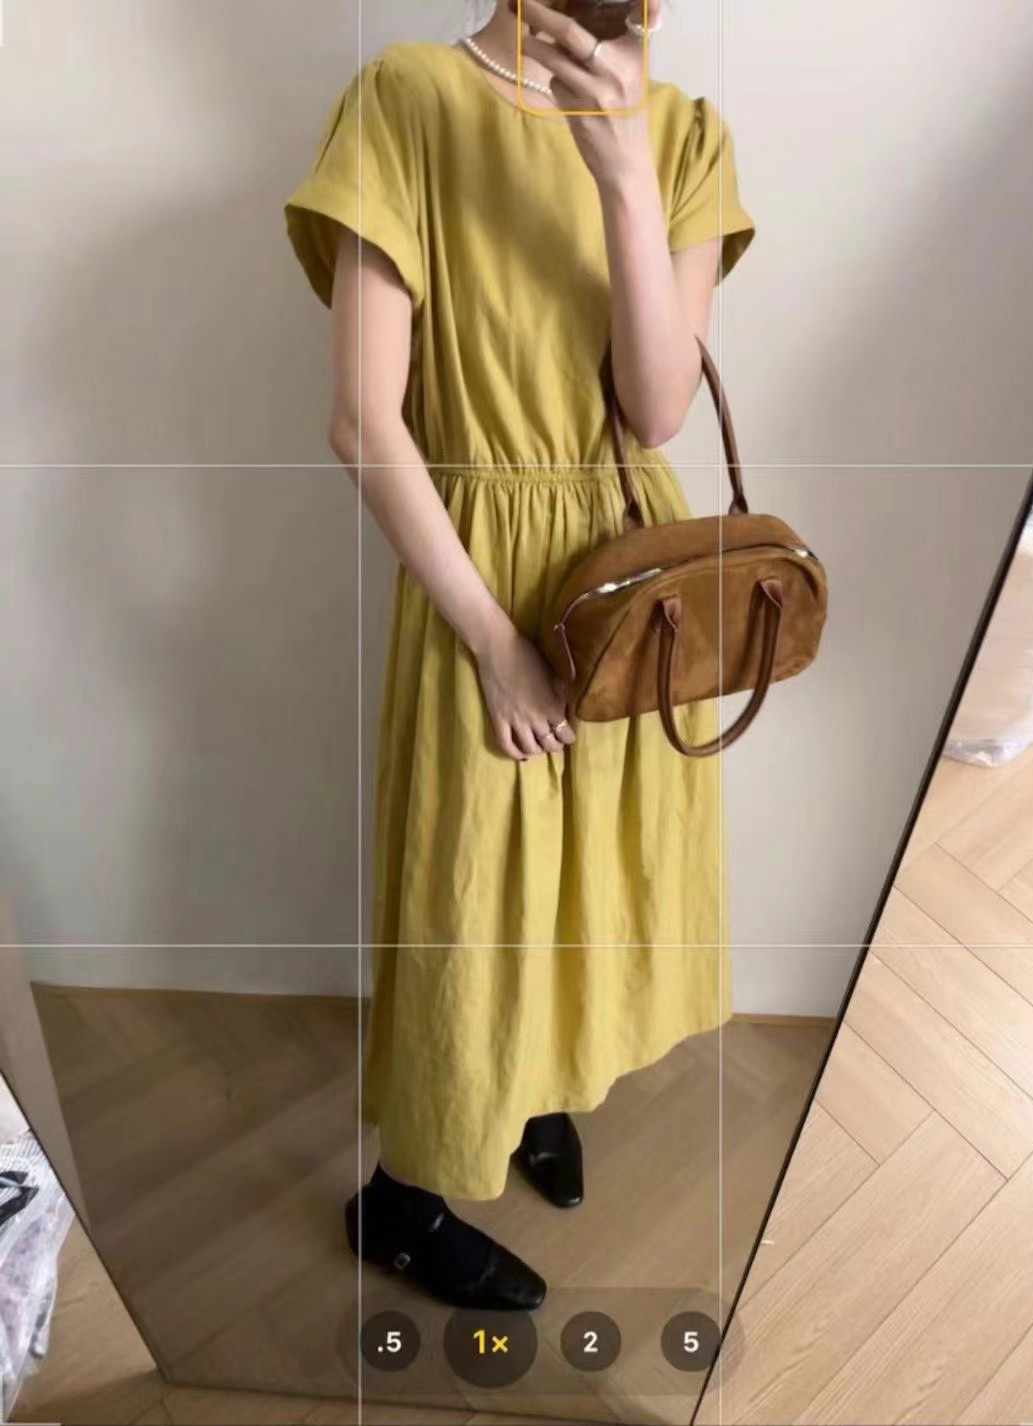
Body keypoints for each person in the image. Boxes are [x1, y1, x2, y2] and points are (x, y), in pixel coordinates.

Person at [285, 0, 755, 1311]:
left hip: (633, 586)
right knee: (472, 901)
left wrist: (621, 171)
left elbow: (654, 409)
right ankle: (404, 1199)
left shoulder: (685, 134)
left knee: (590, 882)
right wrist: (492, 641)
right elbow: (363, 420)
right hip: (480, 579)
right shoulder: (409, 99)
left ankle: (534, 1086)